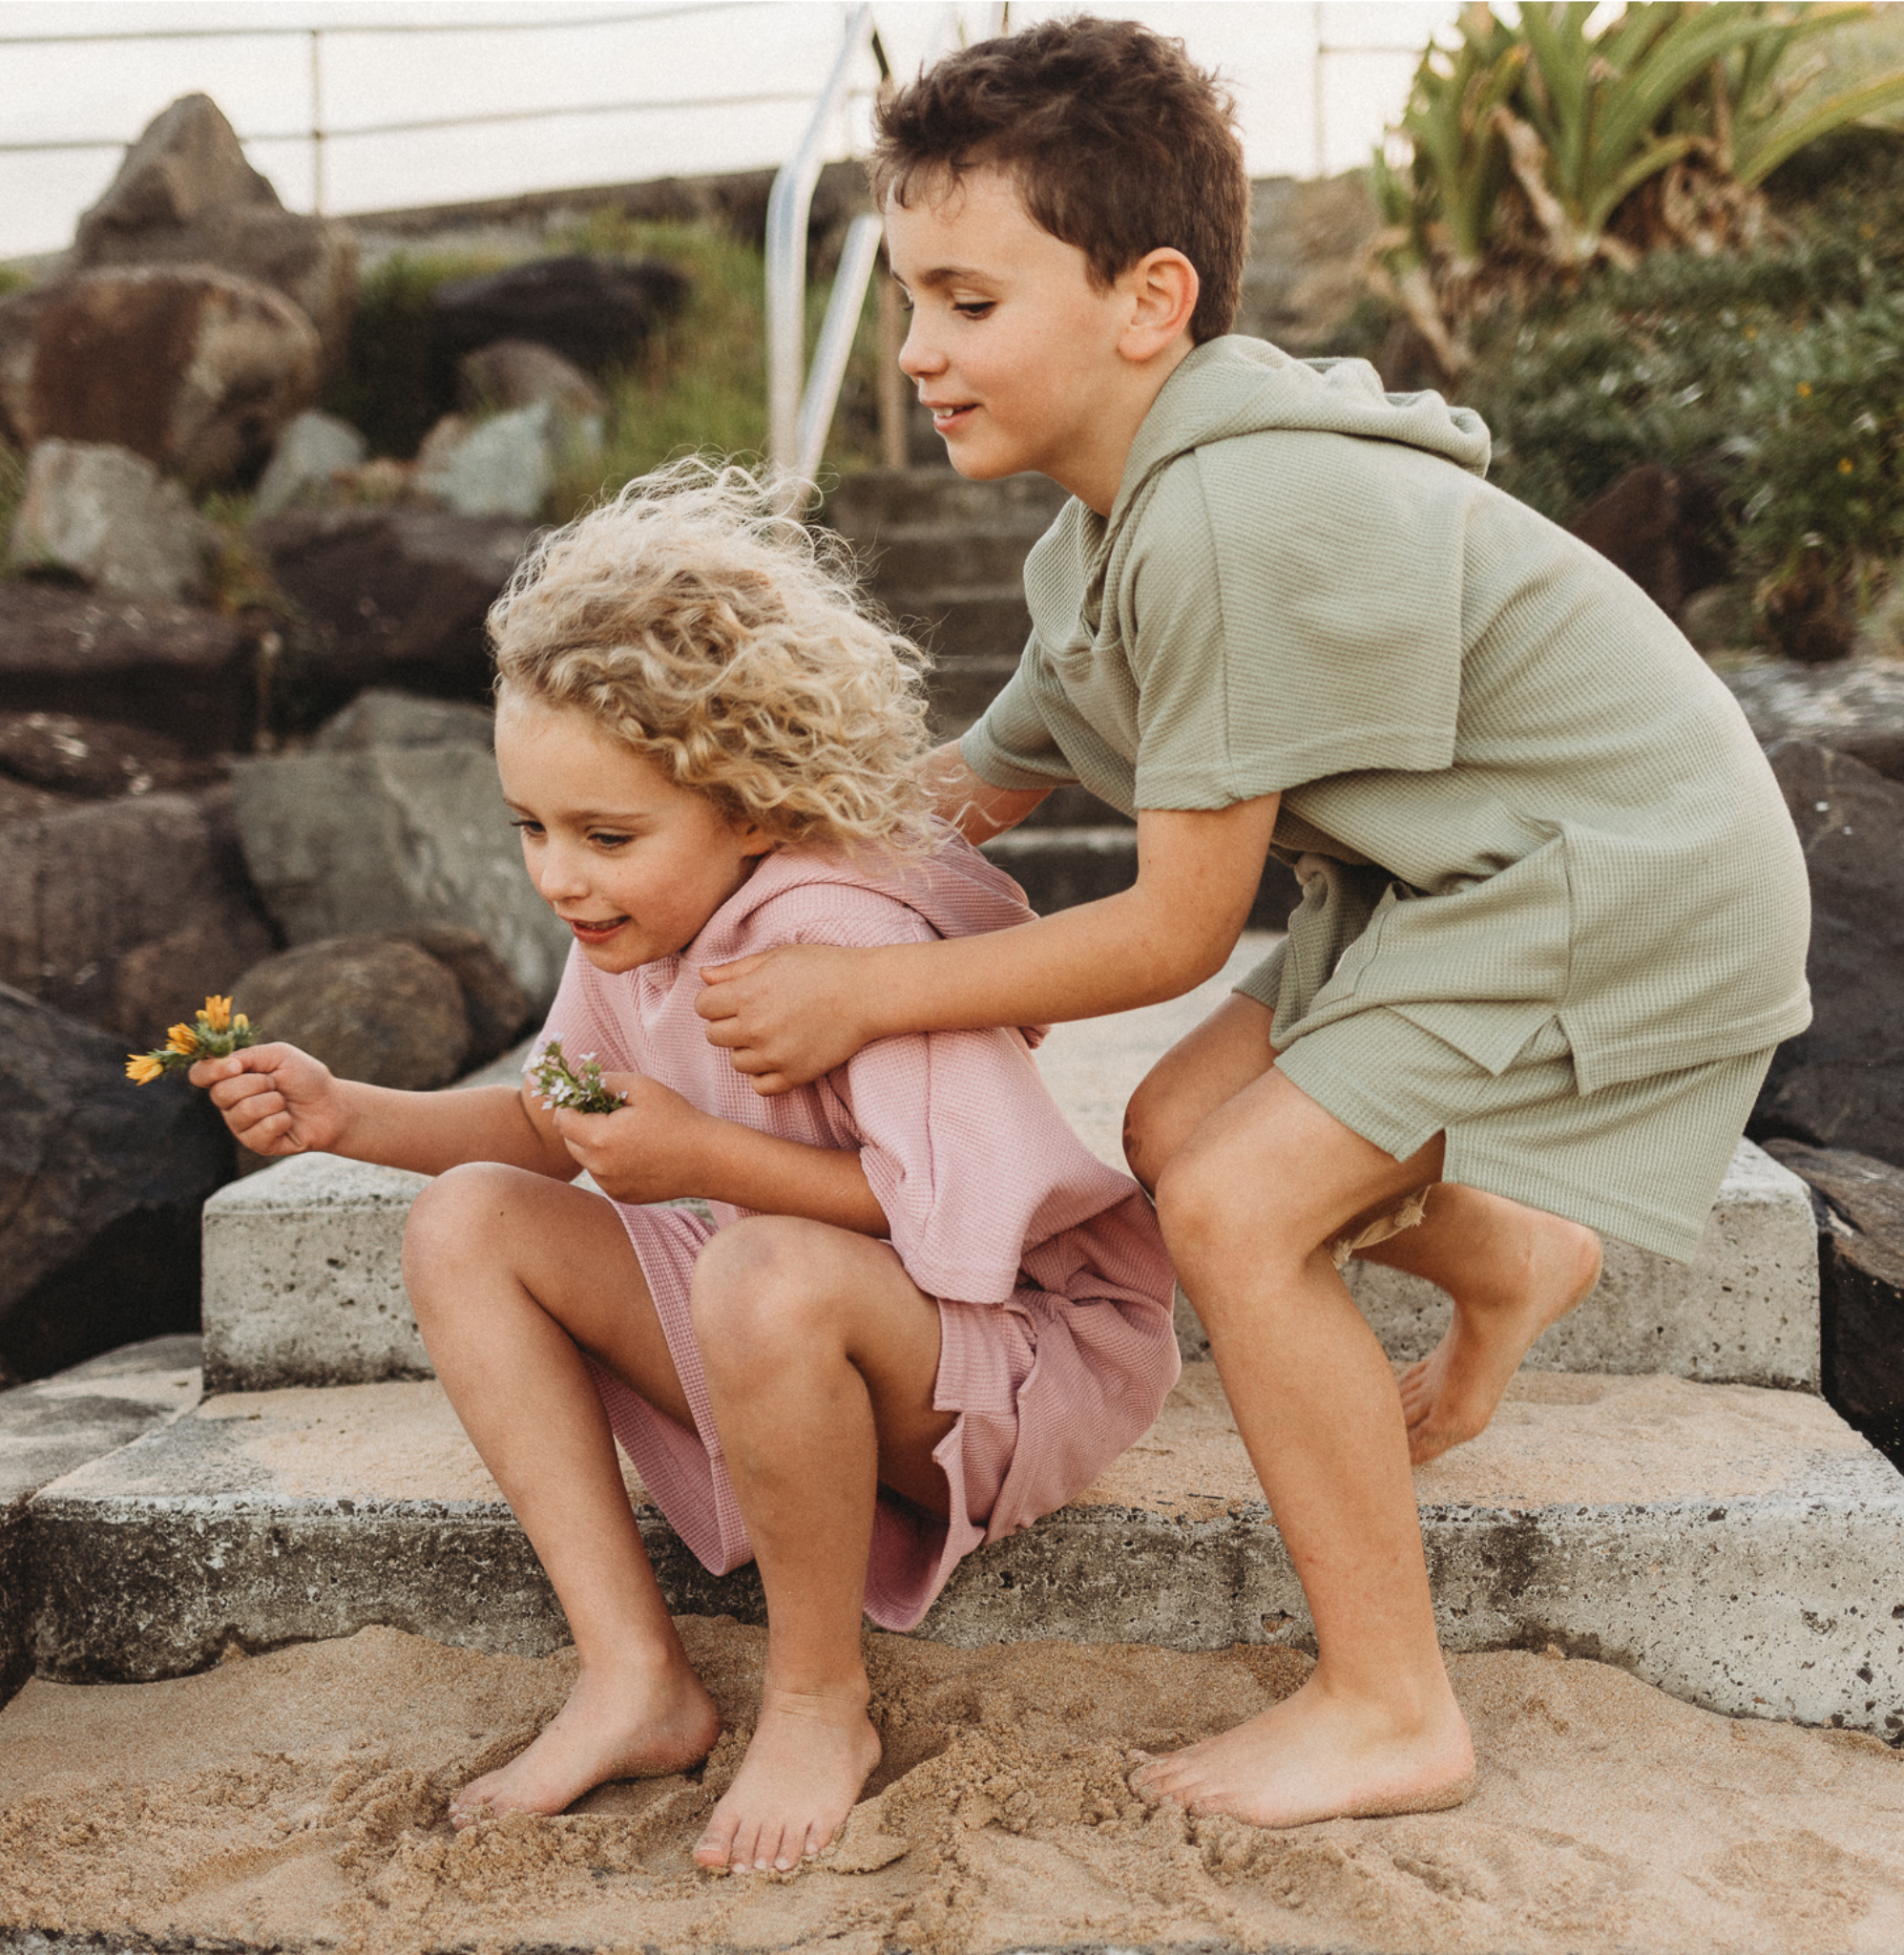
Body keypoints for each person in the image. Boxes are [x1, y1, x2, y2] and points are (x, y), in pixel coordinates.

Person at [692, 19, 1812, 1830]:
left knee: (1234, 1201)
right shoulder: (1100, 542)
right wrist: (702, 871)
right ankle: (1509, 1258)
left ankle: (1390, 1703)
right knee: (1172, 1127)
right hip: (1469, 880)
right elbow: (962, 790)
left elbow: (1162, 935)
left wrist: (866, 994)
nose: (915, 352)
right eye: (906, 301)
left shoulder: (1233, 512)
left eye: (969, 303)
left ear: (1150, 301)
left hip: (1616, 871)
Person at [189, 463, 1179, 1874]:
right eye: (530, 828)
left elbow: (960, 1237)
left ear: (757, 809)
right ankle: (633, 1674)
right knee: (472, 1222)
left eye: (606, 836)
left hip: (1004, 1356)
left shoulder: (842, 938)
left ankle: (820, 1700)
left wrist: (704, 1158)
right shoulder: (638, 925)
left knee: (760, 1268)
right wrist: (350, 1114)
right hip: (802, 1324)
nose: (559, 880)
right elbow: (547, 1126)